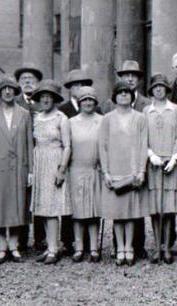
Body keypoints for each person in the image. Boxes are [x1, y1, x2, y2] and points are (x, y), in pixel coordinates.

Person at [0, 76, 33, 264]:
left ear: (16, 91)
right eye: (4, 89)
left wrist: (31, 170)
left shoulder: (24, 114)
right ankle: (1, 247)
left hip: (18, 167)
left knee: (18, 205)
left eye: (11, 88)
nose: (8, 92)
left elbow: (29, 144)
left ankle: (14, 245)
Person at [101, 60, 150, 257]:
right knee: (117, 212)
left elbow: (143, 145)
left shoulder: (140, 117)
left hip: (132, 170)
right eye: (120, 93)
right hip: (114, 169)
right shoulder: (107, 117)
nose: (123, 95)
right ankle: (118, 246)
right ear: (115, 96)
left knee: (131, 212)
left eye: (126, 93)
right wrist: (105, 172)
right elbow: (102, 146)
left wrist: (141, 171)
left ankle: (130, 247)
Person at [143, 74, 177, 264]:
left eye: (162, 87)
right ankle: (157, 247)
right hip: (153, 164)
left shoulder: (176, 109)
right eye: (156, 87)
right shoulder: (146, 111)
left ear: (167, 90)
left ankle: (168, 248)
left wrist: (175, 158)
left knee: (168, 208)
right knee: (155, 209)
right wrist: (150, 154)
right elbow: (142, 136)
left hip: (171, 163)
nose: (159, 90)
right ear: (151, 90)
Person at [30, 80, 71, 264]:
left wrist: (61, 169)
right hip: (40, 162)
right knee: (43, 208)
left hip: (55, 162)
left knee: (53, 207)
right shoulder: (37, 118)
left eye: (49, 96)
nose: (46, 100)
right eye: (43, 96)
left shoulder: (61, 118)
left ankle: (54, 249)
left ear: (55, 99)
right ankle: (49, 246)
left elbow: (68, 146)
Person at [63, 86, 103, 262]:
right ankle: (78, 248)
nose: (88, 103)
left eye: (91, 100)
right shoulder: (70, 122)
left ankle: (94, 248)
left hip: (94, 169)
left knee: (93, 211)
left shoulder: (102, 121)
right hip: (75, 170)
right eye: (84, 100)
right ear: (79, 102)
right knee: (78, 212)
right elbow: (66, 146)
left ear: (95, 102)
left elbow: (105, 146)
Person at [13, 65, 44, 251]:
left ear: (38, 83)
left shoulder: (44, 102)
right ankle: (21, 238)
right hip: (21, 155)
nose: (27, 81)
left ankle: (40, 238)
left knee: (40, 195)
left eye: (31, 78)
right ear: (18, 83)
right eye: (24, 78)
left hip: (42, 154)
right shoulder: (14, 102)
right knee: (21, 196)